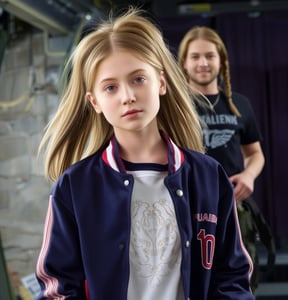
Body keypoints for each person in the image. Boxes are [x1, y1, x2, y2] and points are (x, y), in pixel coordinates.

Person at [35, 8, 254, 299]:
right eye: (110, 87)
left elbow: (232, 280)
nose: (127, 96)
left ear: (161, 82)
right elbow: (58, 290)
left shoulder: (209, 177)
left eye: (138, 79)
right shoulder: (73, 187)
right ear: (95, 101)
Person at [178, 26, 266, 293]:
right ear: (184, 62)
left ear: (221, 61)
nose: (203, 63)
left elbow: (255, 154)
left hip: (235, 210)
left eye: (209, 56)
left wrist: (249, 175)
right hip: (188, 209)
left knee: (237, 283)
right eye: (195, 57)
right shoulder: (175, 107)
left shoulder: (239, 104)